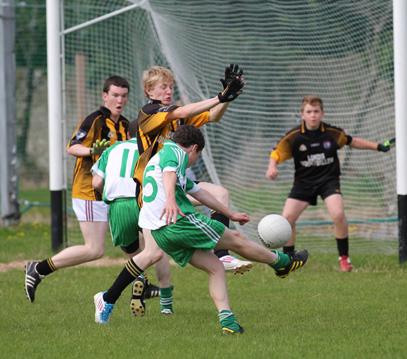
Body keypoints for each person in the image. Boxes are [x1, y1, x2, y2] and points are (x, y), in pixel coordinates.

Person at [93, 125, 309, 334]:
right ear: (194, 148)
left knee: (214, 267)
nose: (194, 161)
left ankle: (228, 323)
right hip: (176, 222)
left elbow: (199, 192)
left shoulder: (161, 156)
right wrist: (170, 199)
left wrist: (231, 214)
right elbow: (169, 174)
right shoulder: (176, 154)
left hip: (160, 230)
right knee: (236, 239)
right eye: (198, 155)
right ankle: (282, 263)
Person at [133, 64, 252, 274]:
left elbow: (213, 116)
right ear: (149, 91)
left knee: (221, 194)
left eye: (171, 87)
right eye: (163, 87)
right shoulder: (149, 112)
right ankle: (111, 295)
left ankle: (221, 255)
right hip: (152, 193)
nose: (169, 91)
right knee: (152, 255)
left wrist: (228, 98)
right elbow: (184, 110)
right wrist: (220, 96)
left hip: (175, 186)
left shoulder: (177, 118)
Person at [25, 76, 131, 303]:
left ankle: (143, 283)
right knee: (95, 250)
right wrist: (93, 150)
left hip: (113, 191)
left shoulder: (125, 125)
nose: (119, 100)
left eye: (123, 96)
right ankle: (39, 268)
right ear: (105, 96)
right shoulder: (95, 120)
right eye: (115, 95)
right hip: (89, 191)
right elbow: (72, 147)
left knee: (135, 237)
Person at [265, 95, 394, 272]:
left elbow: (353, 141)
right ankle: (289, 260)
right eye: (309, 112)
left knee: (338, 215)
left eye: (316, 111)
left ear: (322, 113)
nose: (313, 115)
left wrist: (378, 146)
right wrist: (272, 167)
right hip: (303, 183)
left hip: (328, 181)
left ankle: (344, 259)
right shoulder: (294, 136)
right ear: (302, 114)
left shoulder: (332, 133)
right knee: (287, 219)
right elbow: (276, 153)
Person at [91, 119, 172, 317]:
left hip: (118, 207)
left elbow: (96, 182)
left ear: (127, 135)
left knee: (134, 257)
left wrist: (107, 193)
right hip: (142, 201)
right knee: (156, 251)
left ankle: (139, 280)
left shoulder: (112, 149)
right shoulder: (152, 149)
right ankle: (166, 305)